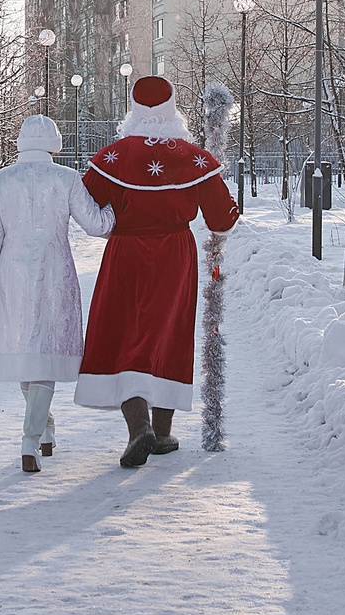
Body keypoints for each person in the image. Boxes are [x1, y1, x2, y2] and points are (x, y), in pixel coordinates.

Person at [77, 76, 240, 469]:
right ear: (173, 110)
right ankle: (163, 432)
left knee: (124, 335)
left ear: (133, 111)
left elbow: (86, 204)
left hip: (125, 253)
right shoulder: (195, 159)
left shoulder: (112, 158)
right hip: (174, 256)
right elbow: (222, 219)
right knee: (169, 334)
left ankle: (139, 428)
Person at [0, 114, 114, 474]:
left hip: (12, 276)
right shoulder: (66, 178)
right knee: (45, 351)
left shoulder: (0, 181)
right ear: (55, 143)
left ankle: (43, 427)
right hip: (55, 273)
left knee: (27, 351)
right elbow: (97, 225)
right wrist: (117, 206)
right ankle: (31, 438)